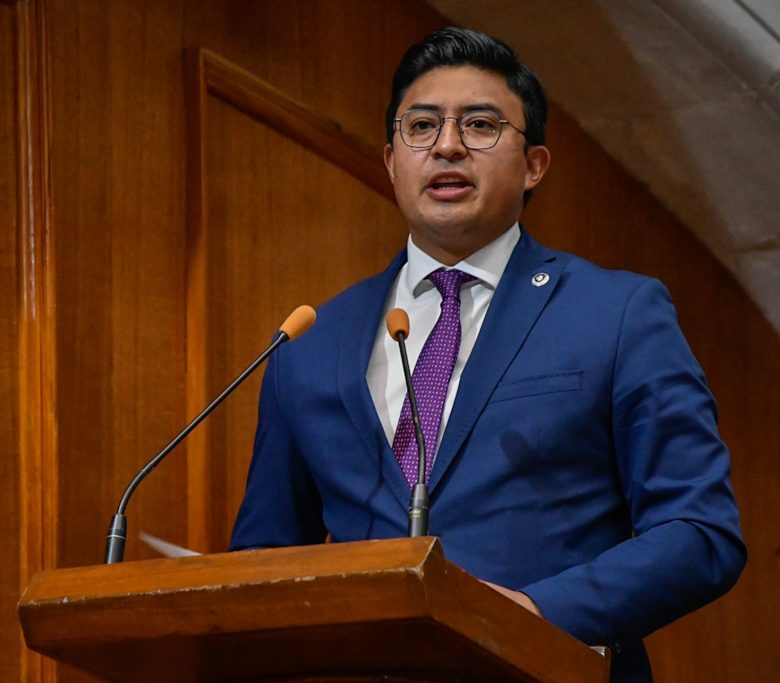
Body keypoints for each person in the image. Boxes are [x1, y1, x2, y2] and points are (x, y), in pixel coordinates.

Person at [231, 27, 746, 682]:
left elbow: (700, 531)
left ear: (534, 165)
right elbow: (264, 558)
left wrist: (535, 612)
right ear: (391, 160)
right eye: (421, 126)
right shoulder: (310, 341)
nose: (447, 145)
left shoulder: (617, 313)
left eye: (479, 125)